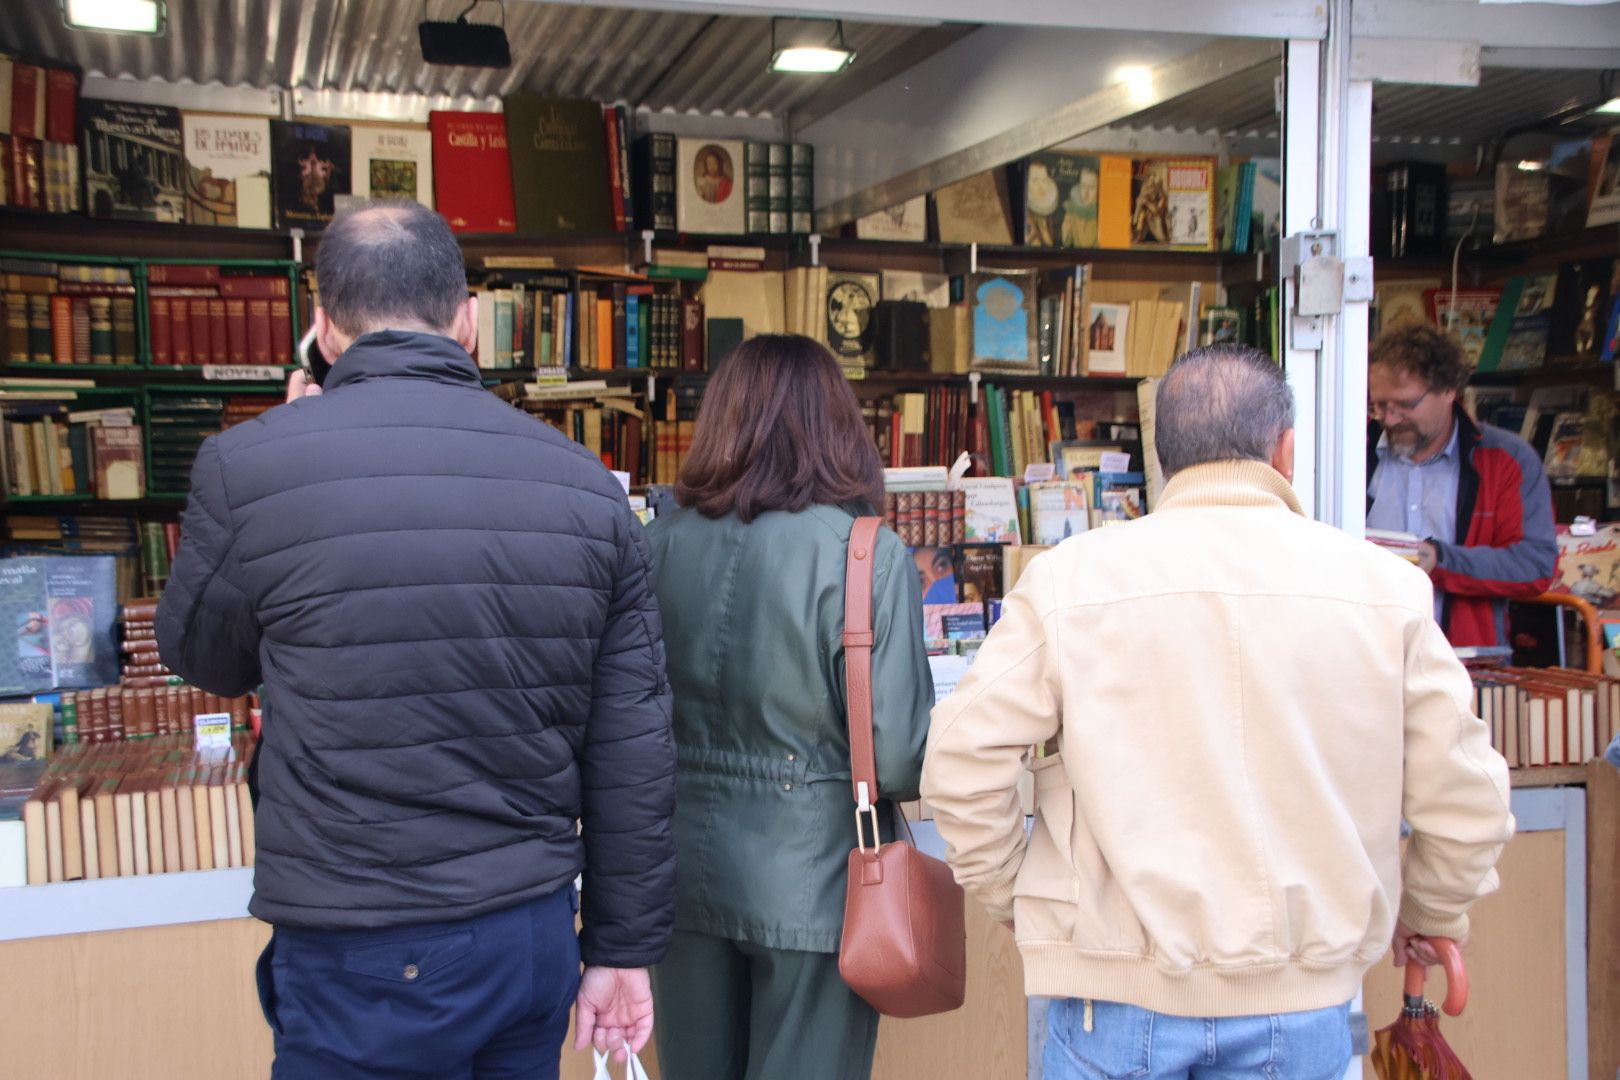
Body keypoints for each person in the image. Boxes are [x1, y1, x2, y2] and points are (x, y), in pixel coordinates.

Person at [155, 201, 675, 1079]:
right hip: (529, 934)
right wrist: (621, 950)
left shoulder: (249, 467)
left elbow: (206, 658)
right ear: (469, 322)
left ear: (321, 327)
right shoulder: (586, 488)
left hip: (355, 940)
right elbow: (631, 744)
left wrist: (278, 452)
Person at [922, 344, 1514, 1080]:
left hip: (1111, 1004)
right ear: (1286, 451)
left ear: (1165, 457)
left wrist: (1025, 898)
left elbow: (958, 762)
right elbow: (1469, 803)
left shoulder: (1069, 582)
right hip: (1304, 1007)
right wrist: (1427, 910)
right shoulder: (1384, 590)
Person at [645, 334, 933, 1080]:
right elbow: (898, 754)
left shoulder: (655, 546)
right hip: (815, 881)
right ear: (837, 425)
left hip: (677, 871)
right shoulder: (866, 552)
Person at [1367, 321, 1558, 647]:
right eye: (1380, 405)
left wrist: (1442, 560)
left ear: (1448, 391)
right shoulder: (1351, 453)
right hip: (1366, 660)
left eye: (1405, 404)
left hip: (1466, 665)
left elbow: (1534, 566)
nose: (1391, 418)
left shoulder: (1506, 460)